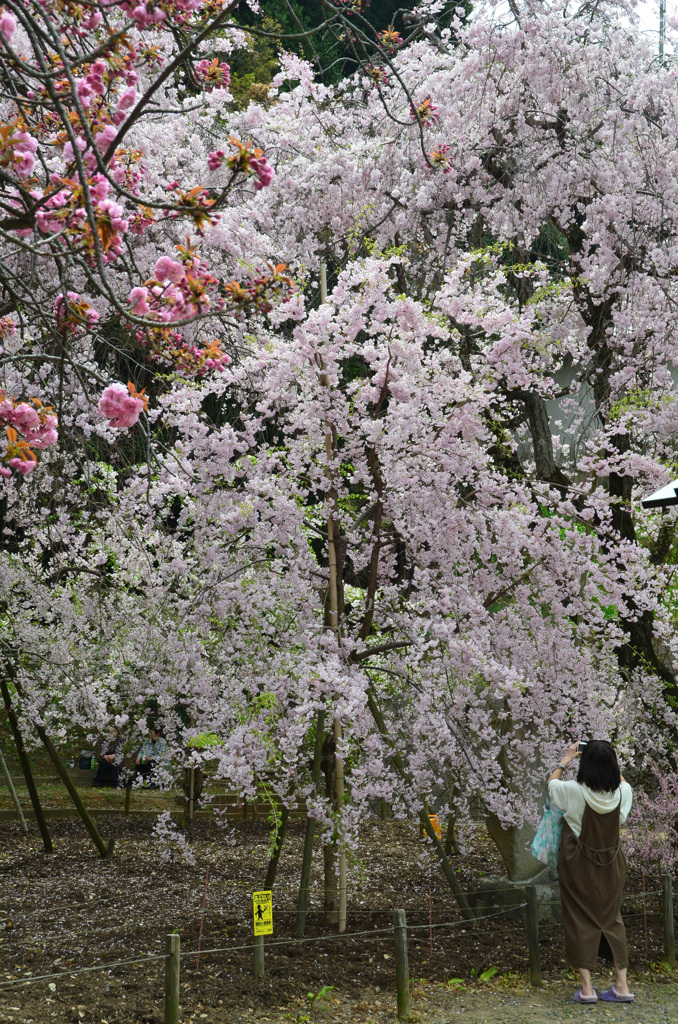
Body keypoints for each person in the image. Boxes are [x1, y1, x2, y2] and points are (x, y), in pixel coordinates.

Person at [548, 739, 634, 1004]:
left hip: (579, 863)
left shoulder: (573, 791)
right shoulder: (624, 792)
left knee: (579, 917)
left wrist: (566, 759)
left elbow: (552, 785)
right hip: (612, 864)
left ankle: (587, 989)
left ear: (585, 763)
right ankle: (622, 985)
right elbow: (622, 780)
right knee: (611, 918)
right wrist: (610, 762)